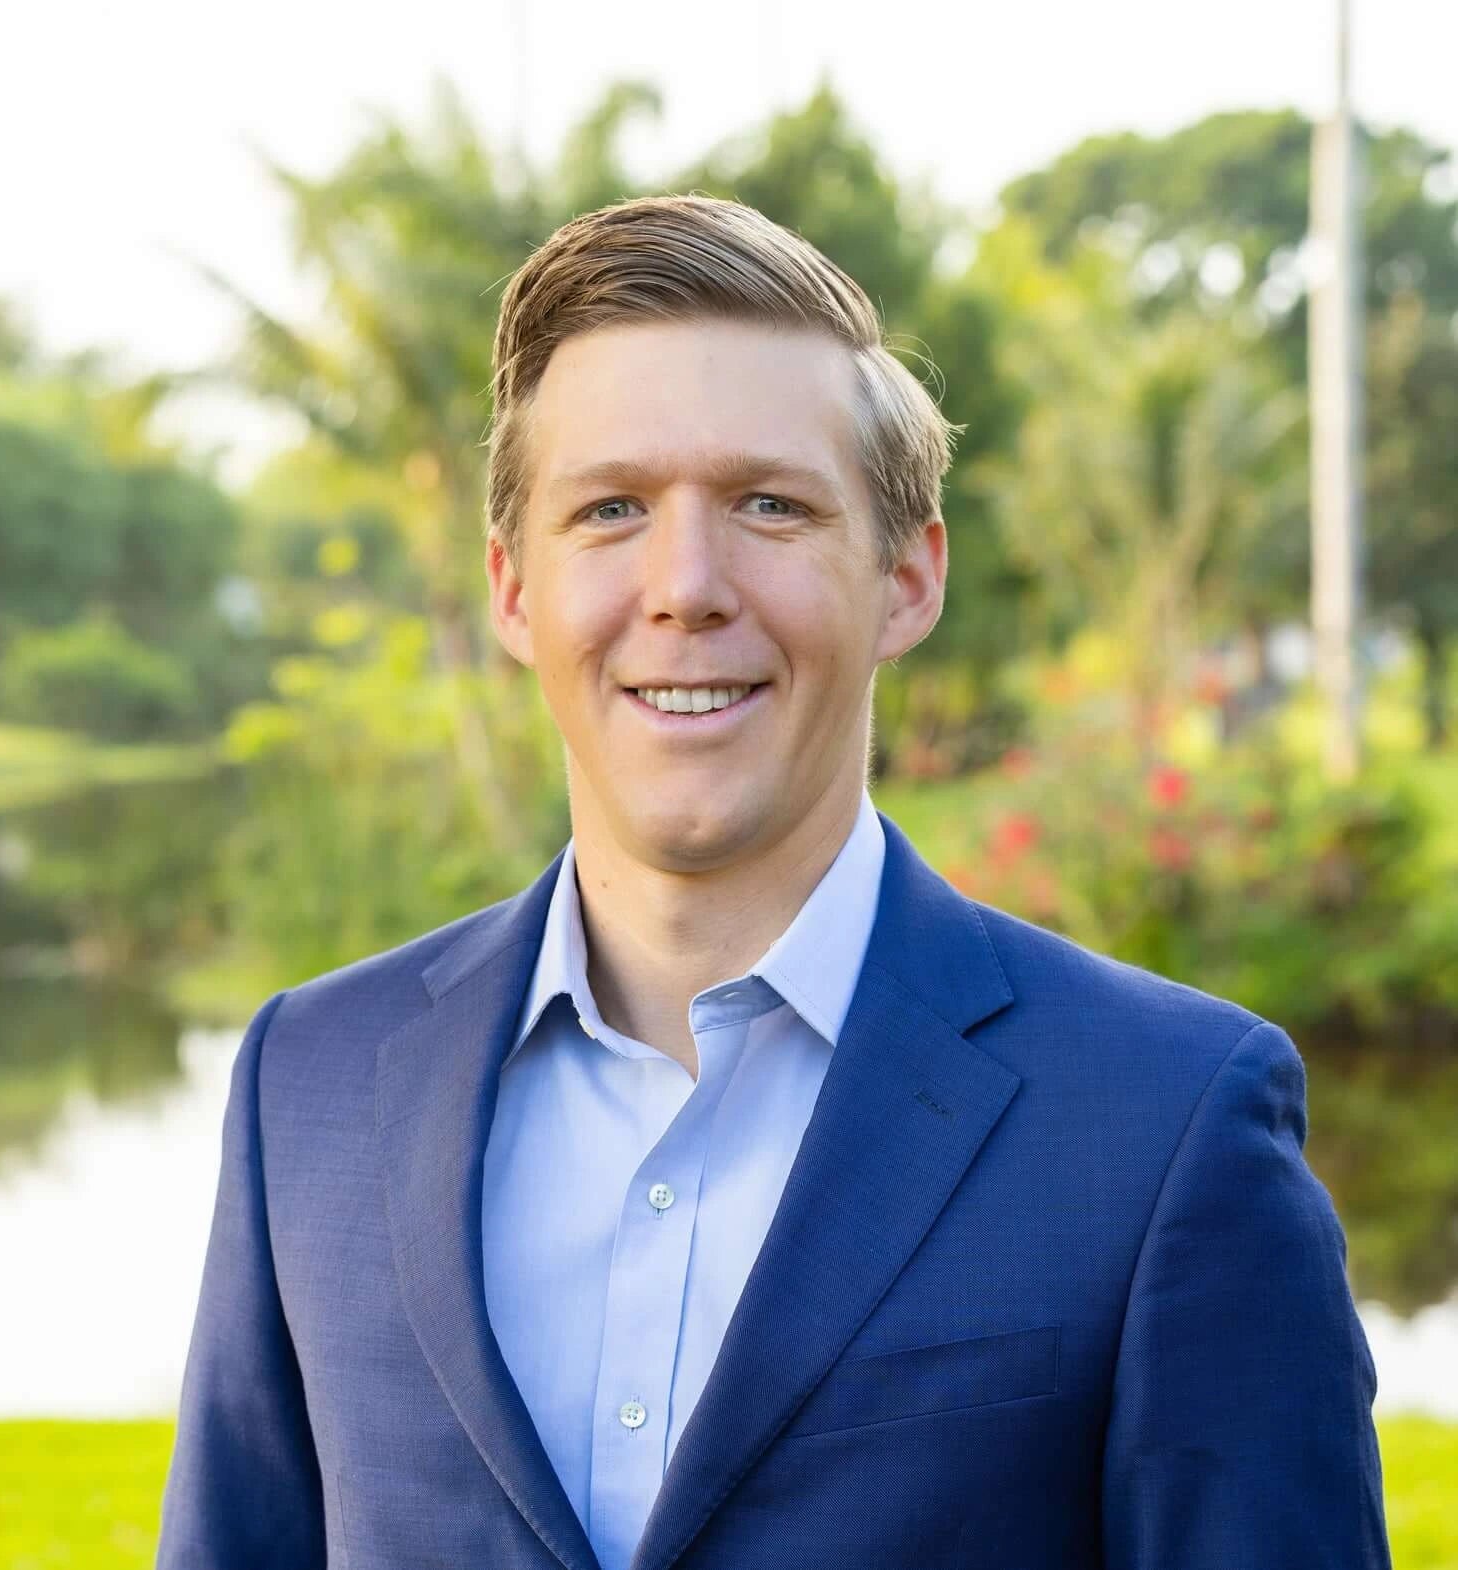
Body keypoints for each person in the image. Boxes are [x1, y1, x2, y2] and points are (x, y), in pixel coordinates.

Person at [156, 193, 1391, 1570]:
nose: (685, 584)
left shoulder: (1169, 1122)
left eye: (770, 505)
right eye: (611, 508)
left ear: (907, 578)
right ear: (514, 591)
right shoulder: (307, 1085)